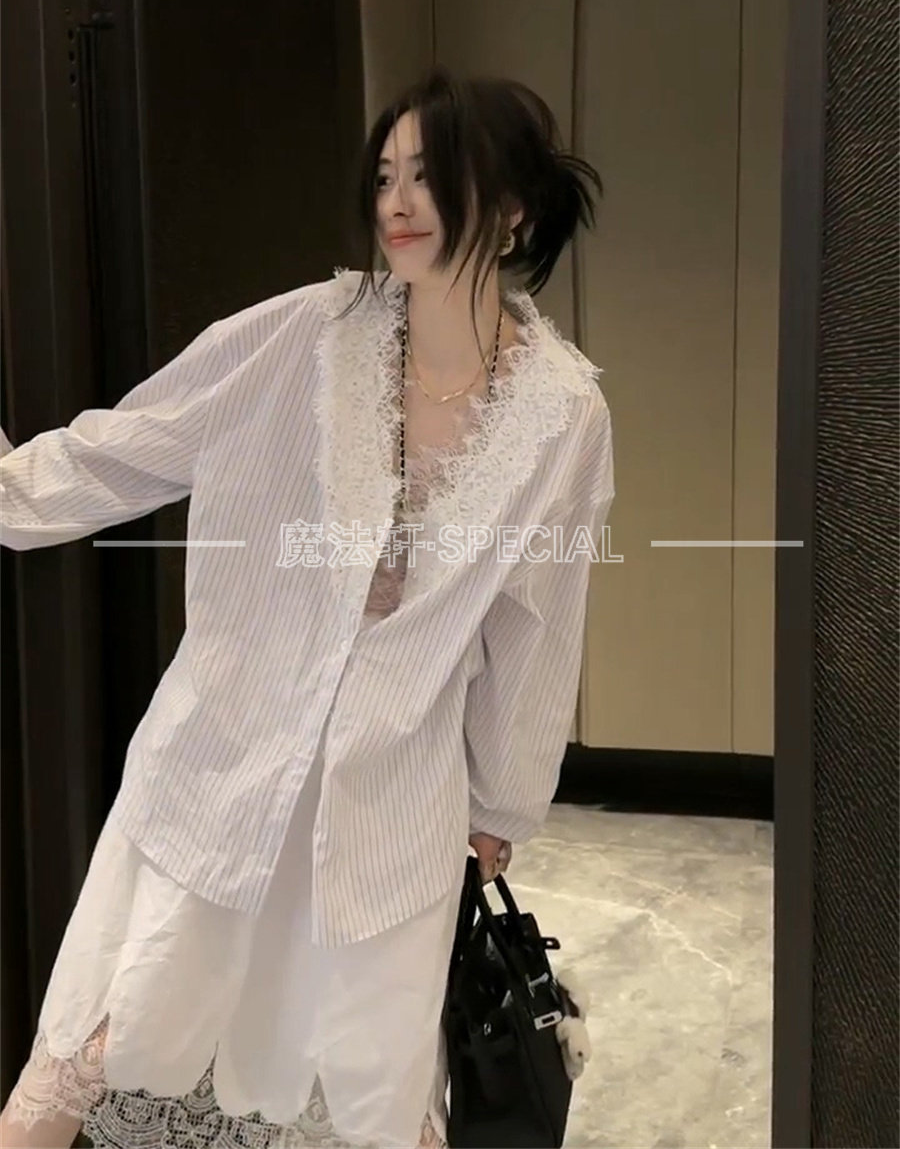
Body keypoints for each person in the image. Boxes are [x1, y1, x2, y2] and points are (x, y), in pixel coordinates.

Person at [0, 65, 614, 1149]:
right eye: (385, 175)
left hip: (393, 795)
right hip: (226, 754)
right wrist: (15, 494)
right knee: (98, 1041)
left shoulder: (564, 414)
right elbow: (141, 441)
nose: (397, 203)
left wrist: (501, 806)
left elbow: (537, 618)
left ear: (513, 207)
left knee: (375, 1086)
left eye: (431, 175)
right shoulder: (307, 332)